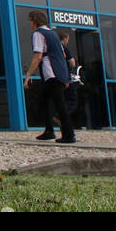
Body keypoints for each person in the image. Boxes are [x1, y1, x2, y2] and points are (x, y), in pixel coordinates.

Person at [22, 11, 76, 144]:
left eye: (30, 20)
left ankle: (69, 134)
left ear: (35, 21)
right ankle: (49, 130)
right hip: (60, 72)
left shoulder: (38, 34)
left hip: (51, 73)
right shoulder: (53, 34)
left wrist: (28, 75)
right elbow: (63, 55)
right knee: (43, 99)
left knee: (59, 104)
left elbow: (38, 56)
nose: (29, 23)